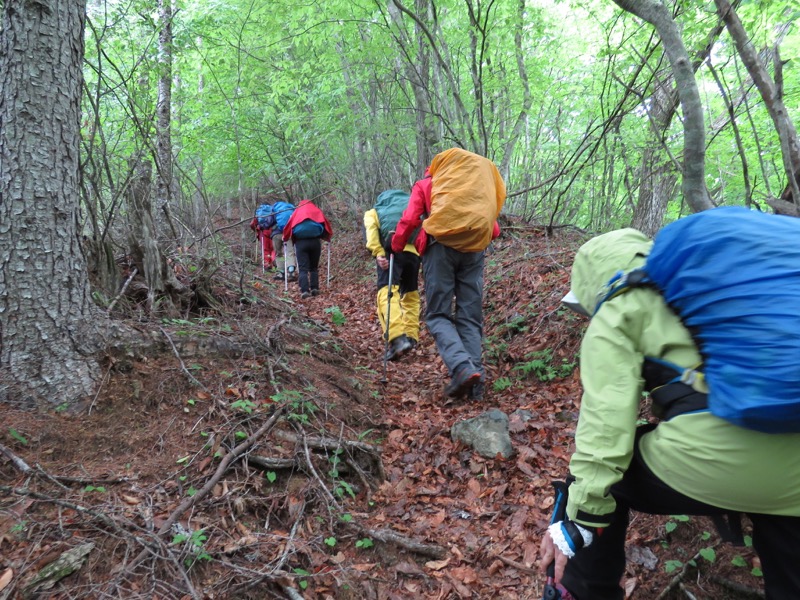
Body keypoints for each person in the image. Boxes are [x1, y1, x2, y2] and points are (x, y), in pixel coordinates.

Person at [538, 228, 800, 600]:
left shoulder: (620, 305)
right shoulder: (704, 287)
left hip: (718, 456)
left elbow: (606, 425)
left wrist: (580, 521)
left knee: (605, 477)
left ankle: (581, 591)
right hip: (794, 463)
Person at [391, 148, 505, 400]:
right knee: (469, 317)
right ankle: (476, 385)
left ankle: (462, 368)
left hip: (439, 249)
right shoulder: (476, 188)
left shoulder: (427, 184)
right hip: (474, 251)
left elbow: (410, 219)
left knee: (438, 315)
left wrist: (397, 245)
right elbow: (494, 229)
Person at [364, 189, 421, 362]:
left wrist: (378, 252)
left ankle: (397, 338)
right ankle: (411, 337)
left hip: (391, 252)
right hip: (414, 254)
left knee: (387, 293)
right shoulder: (410, 206)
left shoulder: (374, 212)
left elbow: (371, 233)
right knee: (410, 294)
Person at [283, 200, 333, 299]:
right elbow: (325, 224)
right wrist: (327, 237)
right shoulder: (316, 210)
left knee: (303, 269)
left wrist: (285, 237)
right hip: (315, 242)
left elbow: (289, 226)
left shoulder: (297, 212)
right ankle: (315, 288)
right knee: (314, 267)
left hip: (301, 243)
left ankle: (305, 290)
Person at [269, 200, 298, 282]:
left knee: (278, 253)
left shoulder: (274, 209)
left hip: (275, 234)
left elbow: (269, 222)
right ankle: (291, 271)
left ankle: (281, 273)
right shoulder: (290, 208)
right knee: (289, 252)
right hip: (287, 233)